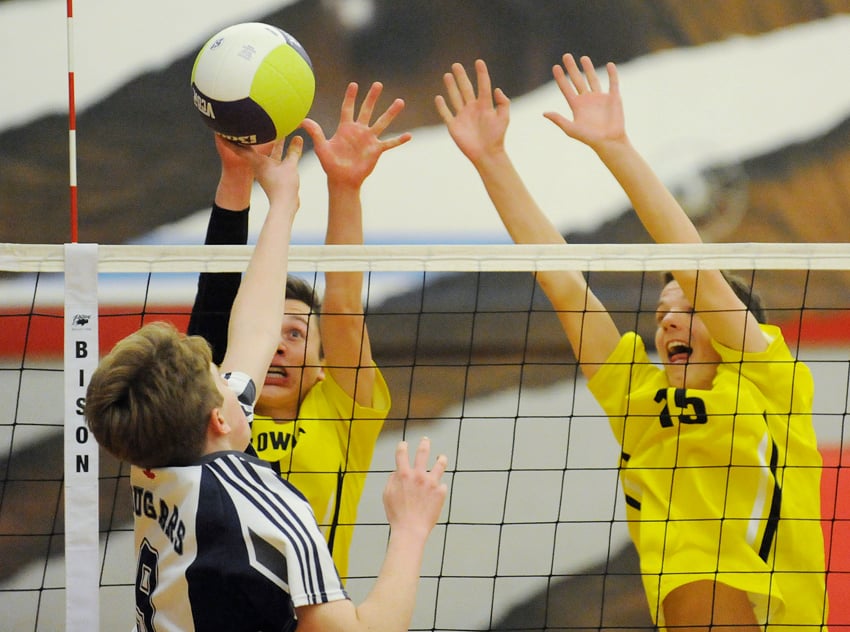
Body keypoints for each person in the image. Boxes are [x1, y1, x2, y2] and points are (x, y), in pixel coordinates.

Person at [435, 56, 828, 630]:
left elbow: (692, 265)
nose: (667, 321)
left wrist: (614, 146)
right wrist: (491, 160)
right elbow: (565, 285)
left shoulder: (770, 380)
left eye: (688, 310)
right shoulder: (637, 398)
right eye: (661, 313)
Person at [85, 136, 449, 632]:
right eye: (221, 376)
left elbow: (253, 326)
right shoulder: (271, 507)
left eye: (294, 334)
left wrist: (278, 199)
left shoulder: (155, 460)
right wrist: (410, 526)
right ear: (218, 415)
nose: (243, 367)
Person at [187, 81, 411, 579]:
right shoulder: (206, 414)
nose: (280, 348)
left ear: (321, 361)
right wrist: (235, 178)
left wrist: (344, 187)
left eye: (296, 333)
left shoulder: (339, 411)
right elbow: (215, 303)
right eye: (273, 334)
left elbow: (346, 306)